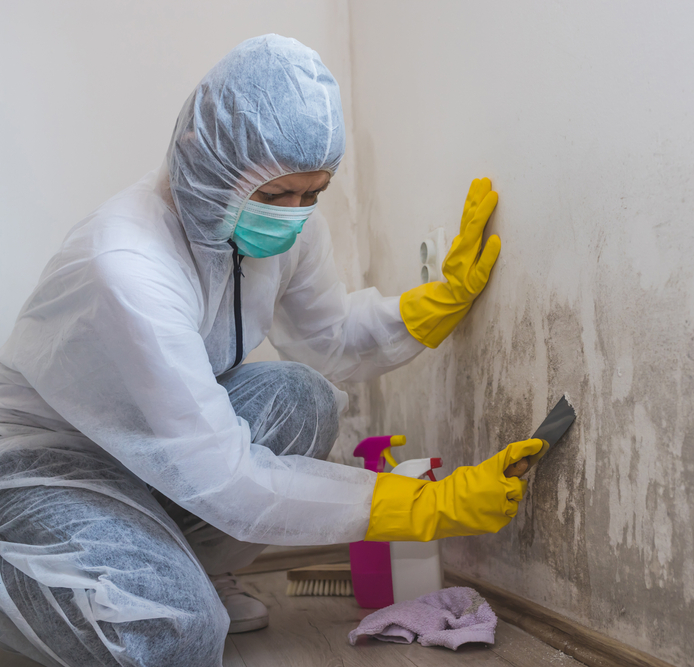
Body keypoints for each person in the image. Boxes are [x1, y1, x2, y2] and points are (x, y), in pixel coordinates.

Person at [0, 35, 542, 667]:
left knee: (301, 397)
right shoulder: (127, 264)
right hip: (52, 461)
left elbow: (329, 337)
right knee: (176, 633)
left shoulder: (281, 224)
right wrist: (425, 504)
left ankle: (185, 568)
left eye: (312, 194)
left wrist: (435, 304)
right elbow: (225, 479)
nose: (295, 214)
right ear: (207, 162)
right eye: (278, 195)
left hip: (155, 454)